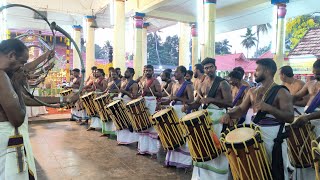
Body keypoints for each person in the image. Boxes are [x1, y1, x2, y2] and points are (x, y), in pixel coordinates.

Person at [0, 39, 77, 180]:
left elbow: (26, 74)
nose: (22, 68)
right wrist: (17, 88)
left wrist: (63, 100)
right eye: (22, 62)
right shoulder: (1, 76)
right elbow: (17, 119)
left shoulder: (7, 73)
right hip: (7, 137)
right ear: (11, 55)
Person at [221, 58, 294, 180]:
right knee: (255, 170)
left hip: (274, 137)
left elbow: (290, 117)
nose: (254, 73)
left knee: (274, 171)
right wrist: (229, 114)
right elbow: (241, 109)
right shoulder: (252, 91)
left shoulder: (281, 92)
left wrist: (270, 108)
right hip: (254, 134)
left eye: (257, 70)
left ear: (266, 71)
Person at [187, 57, 233, 179]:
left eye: (210, 67)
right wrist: (189, 105)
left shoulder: (223, 83)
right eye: (206, 68)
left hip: (218, 120)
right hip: (205, 119)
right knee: (203, 148)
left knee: (216, 149)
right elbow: (197, 102)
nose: (208, 70)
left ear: (215, 67)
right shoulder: (202, 83)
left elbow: (229, 103)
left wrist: (212, 99)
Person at [292, 59, 320, 179]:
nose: (316, 76)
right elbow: (296, 97)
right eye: (315, 73)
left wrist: (308, 118)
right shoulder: (310, 84)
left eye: (319, 73)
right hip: (306, 117)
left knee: (317, 154)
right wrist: (282, 100)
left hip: (317, 121)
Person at [164, 66, 193, 169]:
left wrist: (178, 97)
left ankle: (184, 162)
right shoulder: (174, 85)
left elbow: (191, 101)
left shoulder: (188, 86)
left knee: (183, 135)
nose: (175, 74)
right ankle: (172, 160)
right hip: (173, 110)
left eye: (177, 72)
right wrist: (162, 103)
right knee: (173, 135)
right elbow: (170, 99)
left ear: (183, 73)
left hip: (182, 111)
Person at [138, 65, 162, 157]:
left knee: (151, 126)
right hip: (144, 102)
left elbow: (160, 94)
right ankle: (143, 149)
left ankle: (152, 150)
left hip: (152, 102)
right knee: (143, 125)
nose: (147, 72)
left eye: (149, 70)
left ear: (152, 71)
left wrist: (148, 90)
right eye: (146, 70)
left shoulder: (155, 81)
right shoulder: (142, 80)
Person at [116, 67, 139, 144]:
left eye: (127, 72)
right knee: (122, 121)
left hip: (127, 105)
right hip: (121, 103)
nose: (125, 73)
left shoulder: (134, 84)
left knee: (128, 122)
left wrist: (125, 92)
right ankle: (122, 140)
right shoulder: (123, 81)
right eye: (125, 72)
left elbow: (134, 97)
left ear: (131, 74)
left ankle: (130, 140)